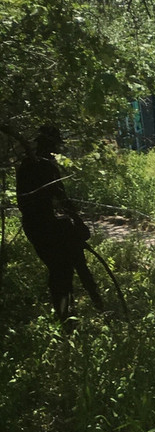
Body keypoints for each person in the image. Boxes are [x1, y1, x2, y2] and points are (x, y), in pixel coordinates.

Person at [16, 126, 104, 322]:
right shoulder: (44, 166)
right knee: (66, 269)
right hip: (44, 226)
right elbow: (61, 197)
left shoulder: (25, 165)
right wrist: (79, 225)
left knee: (59, 270)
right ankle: (91, 311)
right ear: (50, 145)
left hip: (34, 227)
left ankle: (67, 317)